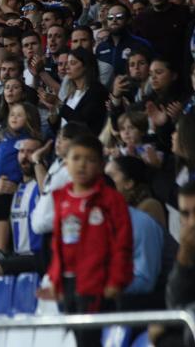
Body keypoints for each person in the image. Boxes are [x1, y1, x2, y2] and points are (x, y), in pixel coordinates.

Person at [40, 135, 133, 346]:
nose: (82, 165)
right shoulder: (61, 197)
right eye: (76, 158)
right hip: (68, 282)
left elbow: (122, 244)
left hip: (97, 283)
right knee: (75, 337)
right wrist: (55, 279)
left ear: (101, 165)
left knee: (88, 340)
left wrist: (115, 280)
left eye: (90, 159)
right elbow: (58, 243)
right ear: (66, 163)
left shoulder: (111, 200)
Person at [0, 137, 45, 276]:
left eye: (31, 152)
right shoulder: (13, 188)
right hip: (17, 255)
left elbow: (47, 193)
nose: (25, 156)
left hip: (38, 257)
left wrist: (38, 163)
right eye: (21, 151)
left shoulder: (42, 186)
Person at [165, 179, 195, 345]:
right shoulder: (191, 249)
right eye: (186, 214)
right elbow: (175, 302)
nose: (193, 221)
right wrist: (185, 254)